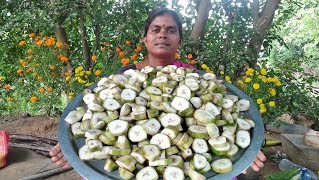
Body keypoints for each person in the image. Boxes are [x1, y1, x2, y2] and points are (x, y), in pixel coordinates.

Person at [50, 7, 266, 176]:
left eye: (171, 30)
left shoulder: (195, 77)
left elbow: (233, 118)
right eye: (156, 29)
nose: (163, 34)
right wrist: (71, 145)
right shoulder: (125, 76)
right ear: (145, 39)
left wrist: (245, 155)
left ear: (180, 40)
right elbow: (90, 112)